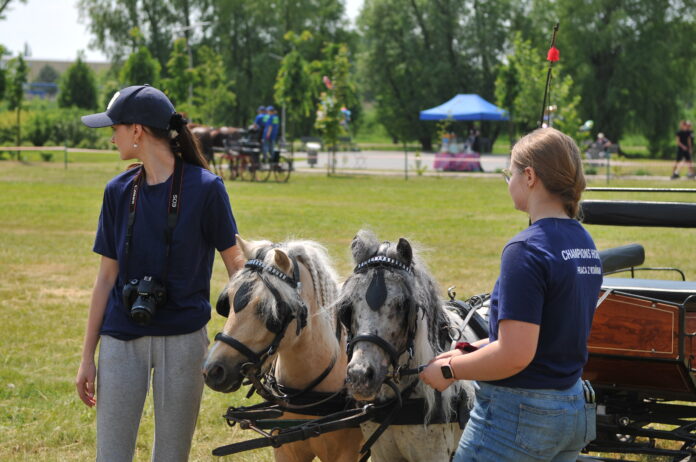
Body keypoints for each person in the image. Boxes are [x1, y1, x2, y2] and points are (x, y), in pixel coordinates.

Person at [75, 85, 244, 462]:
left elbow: (237, 266)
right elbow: (105, 279)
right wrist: (88, 355)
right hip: (121, 338)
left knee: (171, 456)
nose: (111, 135)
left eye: (114, 127)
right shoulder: (117, 191)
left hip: (184, 341)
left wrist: (245, 332)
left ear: (136, 131)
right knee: (111, 456)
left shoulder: (207, 189)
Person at [420, 127, 603, 462]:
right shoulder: (584, 243)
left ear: (529, 176)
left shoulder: (525, 248)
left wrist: (449, 372)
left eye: (510, 173)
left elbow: (516, 354)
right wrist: (462, 351)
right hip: (572, 408)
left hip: (520, 417)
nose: (509, 181)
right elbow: (539, 334)